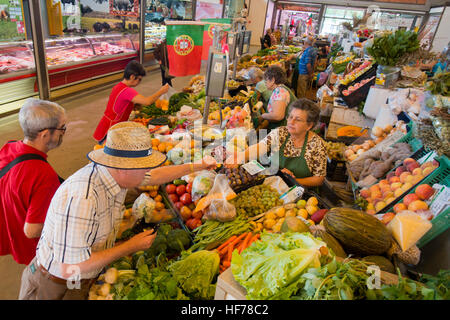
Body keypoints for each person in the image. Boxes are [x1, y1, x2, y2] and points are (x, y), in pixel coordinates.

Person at [19, 121, 217, 300]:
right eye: (143, 167)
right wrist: (130, 246)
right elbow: (74, 265)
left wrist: (197, 166)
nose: (146, 173)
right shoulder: (84, 198)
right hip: (56, 285)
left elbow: (155, 175)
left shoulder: (114, 174)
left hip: (80, 277)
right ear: (125, 168)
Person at [0, 99, 66, 266]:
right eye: (62, 128)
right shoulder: (43, 175)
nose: (63, 133)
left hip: (10, 228)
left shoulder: (10, 147)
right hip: (33, 250)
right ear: (44, 134)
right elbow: (32, 230)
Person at [226, 98, 327, 187]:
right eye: (290, 117)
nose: (291, 122)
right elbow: (261, 146)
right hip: (273, 183)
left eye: (298, 120)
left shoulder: (317, 145)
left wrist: (293, 180)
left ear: (309, 126)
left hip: (300, 190)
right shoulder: (281, 132)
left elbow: (319, 179)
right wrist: (242, 155)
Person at [93, 60, 170, 144]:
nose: (139, 82)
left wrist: (132, 106)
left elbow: (118, 105)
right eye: (139, 79)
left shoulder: (118, 86)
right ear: (133, 77)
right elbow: (147, 101)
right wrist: (161, 91)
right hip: (110, 131)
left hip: (107, 126)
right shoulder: (127, 91)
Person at [259, 65, 297, 131]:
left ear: (273, 80)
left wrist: (263, 116)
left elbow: (278, 116)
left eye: (266, 80)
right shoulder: (281, 88)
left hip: (284, 130)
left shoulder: (280, 92)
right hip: (283, 128)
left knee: (256, 134)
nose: (265, 83)